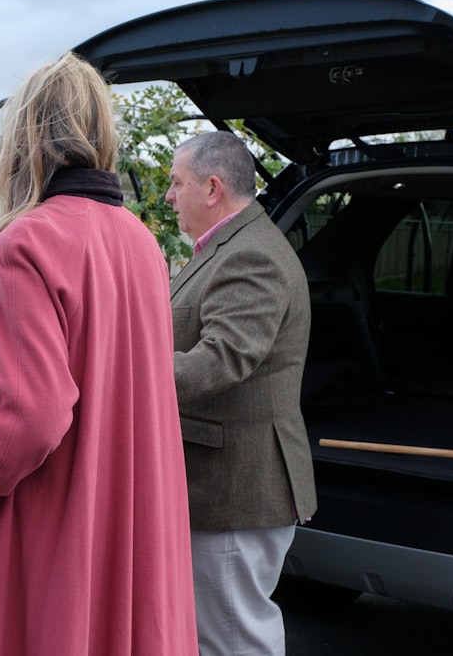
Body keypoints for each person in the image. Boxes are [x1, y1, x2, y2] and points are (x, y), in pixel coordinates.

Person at [0, 52, 198, 655]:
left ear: (24, 138)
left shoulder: (26, 243)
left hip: (41, 533)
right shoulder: (139, 241)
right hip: (121, 523)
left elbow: (25, 422)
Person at [165, 130, 318, 655]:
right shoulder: (226, 248)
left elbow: (224, 357)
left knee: (234, 641)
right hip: (224, 485)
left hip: (236, 488)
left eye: (175, 183)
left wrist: (127, 377)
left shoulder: (252, 255)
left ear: (211, 189)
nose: (168, 195)